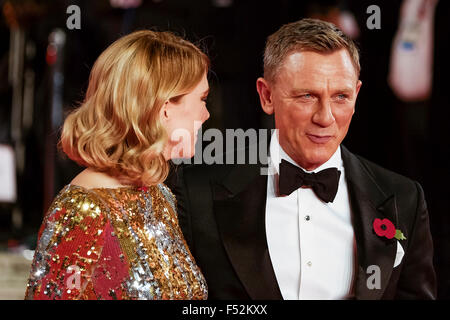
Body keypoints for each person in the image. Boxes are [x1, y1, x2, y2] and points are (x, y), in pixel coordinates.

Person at [168, 18, 436, 299]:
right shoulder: (196, 190)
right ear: (267, 95)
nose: (325, 117)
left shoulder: (403, 198)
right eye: (307, 96)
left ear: (356, 95)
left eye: (341, 97)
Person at [25, 30, 210, 300]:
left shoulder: (159, 195)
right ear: (166, 106)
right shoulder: (81, 212)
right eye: (202, 99)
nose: (206, 114)